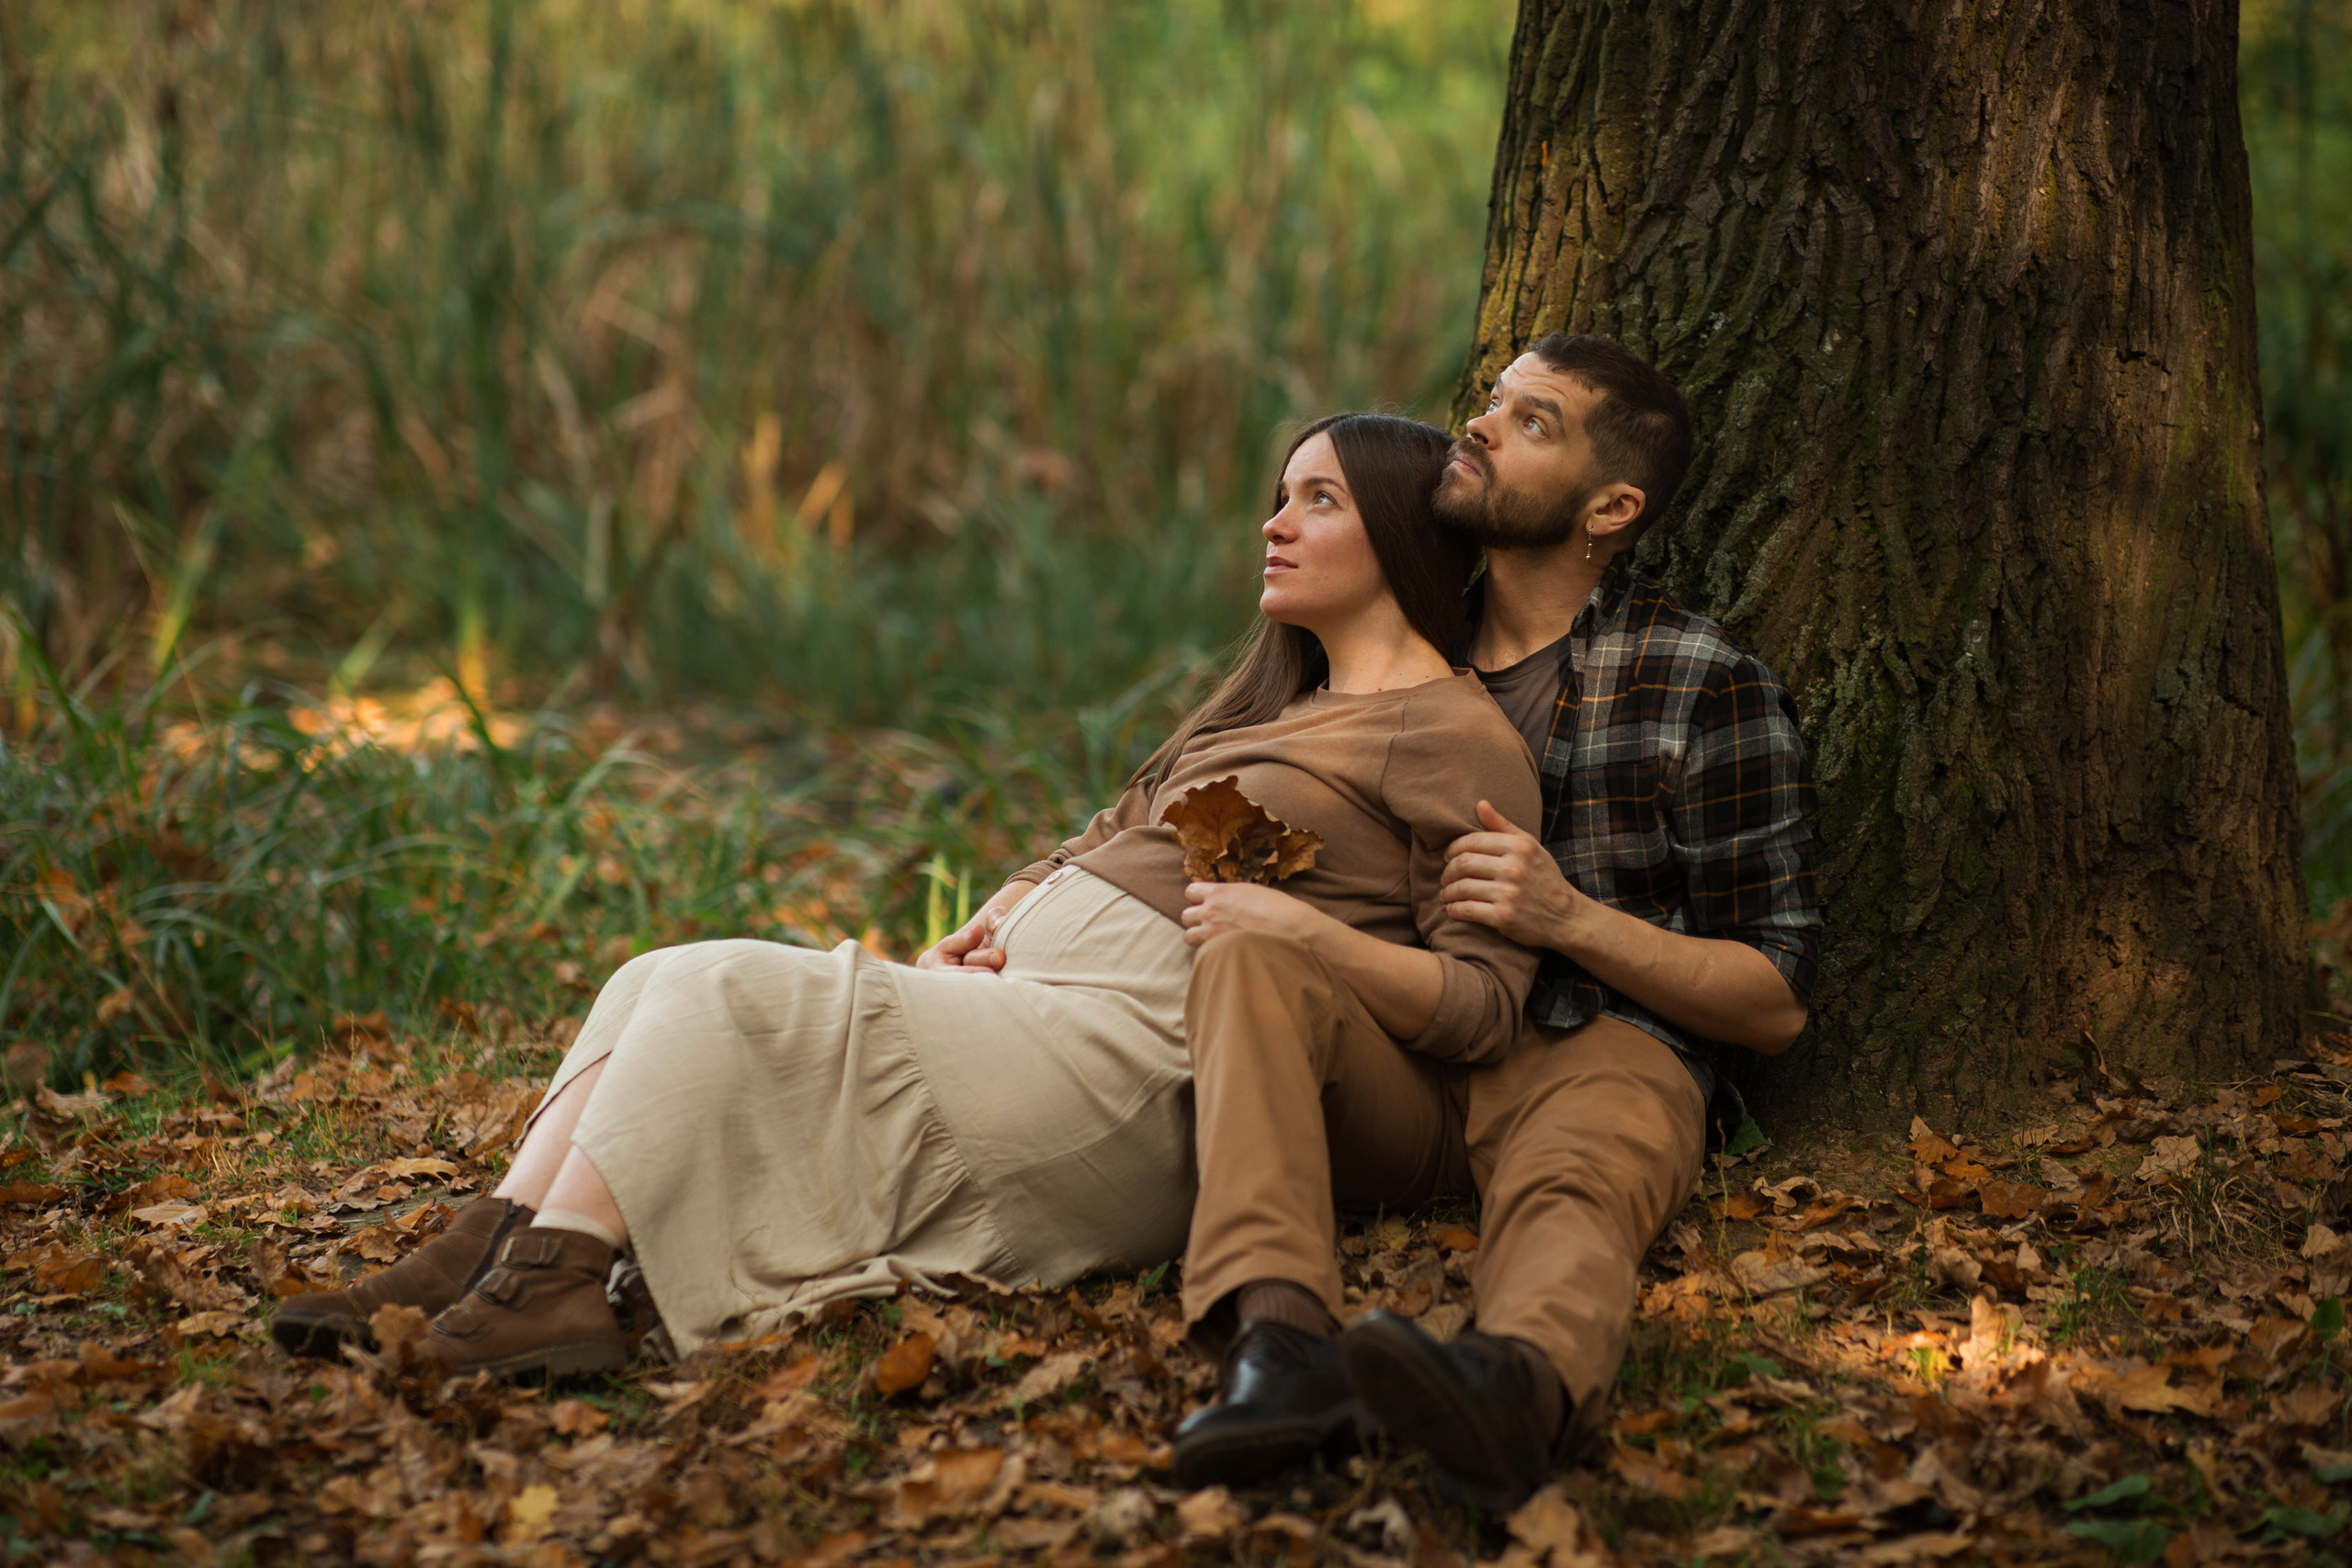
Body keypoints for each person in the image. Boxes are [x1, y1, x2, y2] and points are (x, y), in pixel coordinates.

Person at [269, 413, 1544, 1380]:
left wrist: (1304, 930)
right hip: (1043, 999)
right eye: (1278, 496)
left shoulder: (1455, 737)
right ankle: (485, 1248)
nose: (1274, 522)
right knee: (654, 972)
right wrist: (1012, 900)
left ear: (1394, 528)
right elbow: (1114, 828)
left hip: (1150, 1062)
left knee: (725, 986)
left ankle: (556, 1281)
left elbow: (1483, 1008)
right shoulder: (1273, 704)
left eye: (1316, 500)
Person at [1170, 335, 1821, 1509]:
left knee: (1577, 1183)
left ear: (1610, 506)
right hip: (1408, 1042)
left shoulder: (1697, 680)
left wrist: (1566, 916)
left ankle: (1512, 1391)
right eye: (1490, 402)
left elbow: (1771, 1000)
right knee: (1256, 951)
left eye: (1531, 422)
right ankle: (1280, 1350)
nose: (1475, 426)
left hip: (1592, 1042)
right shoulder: (1399, 645)